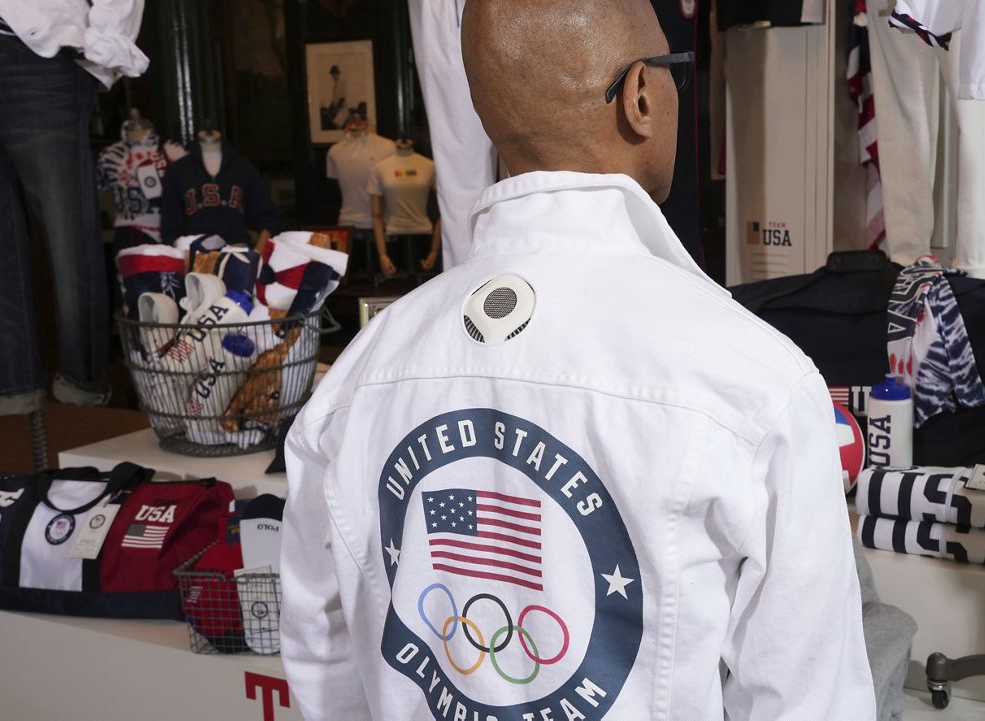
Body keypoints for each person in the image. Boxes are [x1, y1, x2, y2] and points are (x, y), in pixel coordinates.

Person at [279, 0, 875, 719]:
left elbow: (321, 656)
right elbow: (810, 700)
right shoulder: (755, 382)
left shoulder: (362, 371)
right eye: (674, 72)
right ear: (641, 97)